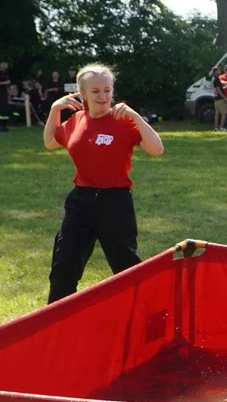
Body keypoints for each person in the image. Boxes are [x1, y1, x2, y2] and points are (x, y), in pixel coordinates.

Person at [43, 63, 164, 304]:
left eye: (107, 90)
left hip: (115, 202)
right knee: (63, 267)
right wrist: (55, 109)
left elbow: (157, 149)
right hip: (80, 202)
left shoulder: (122, 121)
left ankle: (145, 315)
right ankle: (55, 325)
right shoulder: (76, 120)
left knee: (125, 266)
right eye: (96, 91)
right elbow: (50, 142)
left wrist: (135, 116)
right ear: (82, 93)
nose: (103, 96)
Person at [0, 61, 14, 132]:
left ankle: (4, 125)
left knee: (5, 109)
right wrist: (4, 83)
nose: (5, 65)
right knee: (0, 109)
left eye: (6, 64)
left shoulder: (6, 74)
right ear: (0, 65)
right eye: (3, 64)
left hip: (5, 94)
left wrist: (9, 93)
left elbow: (7, 85)